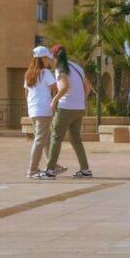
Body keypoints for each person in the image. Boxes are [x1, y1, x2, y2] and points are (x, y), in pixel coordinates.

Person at [35, 45, 93, 179]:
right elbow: (88, 87)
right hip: (79, 108)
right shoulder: (77, 67)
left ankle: (49, 171)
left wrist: (54, 100)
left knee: (56, 138)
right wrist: (79, 99)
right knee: (76, 140)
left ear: (53, 56)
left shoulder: (60, 68)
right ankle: (85, 170)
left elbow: (65, 87)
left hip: (65, 108)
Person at [24, 46, 58, 178]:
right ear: (42, 58)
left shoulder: (28, 73)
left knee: (46, 138)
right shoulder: (45, 73)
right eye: (46, 58)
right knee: (40, 140)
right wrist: (54, 102)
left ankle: (52, 165)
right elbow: (55, 88)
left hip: (33, 110)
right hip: (44, 110)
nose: (48, 61)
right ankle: (33, 170)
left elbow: (26, 93)